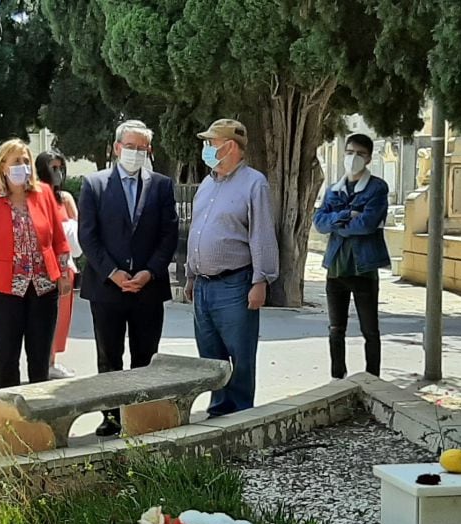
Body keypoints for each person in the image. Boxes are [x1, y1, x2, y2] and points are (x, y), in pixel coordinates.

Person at [77, 120, 178, 436]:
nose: (135, 152)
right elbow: (88, 236)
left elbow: (169, 234)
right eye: (130, 146)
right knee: (109, 357)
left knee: (145, 356)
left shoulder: (161, 185)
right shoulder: (94, 184)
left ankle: (142, 414)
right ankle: (111, 417)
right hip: (107, 287)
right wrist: (113, 272)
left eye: (141, 147)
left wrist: (150, 271)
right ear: (117, 147)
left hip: (148, 287)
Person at [184, 118, 278, 417]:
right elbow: (197, 230)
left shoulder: (254, 183)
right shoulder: (208, 183)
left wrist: (261, 280)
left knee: (240, 354)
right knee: (210, 356)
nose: (206, 149)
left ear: (230, 146)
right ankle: (218, 409)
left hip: (234, 283)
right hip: (203, 284)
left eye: (211, 143)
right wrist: (190, 276)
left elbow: (261, 234)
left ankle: (239, 415)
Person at [0, 139, 71, 389]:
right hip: (4, 290)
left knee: (39, 359)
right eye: (16, 161)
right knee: (7, 360)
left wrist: (64, 271)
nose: (22, 166)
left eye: (26, 161)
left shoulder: (43, 194)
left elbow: (58, 237)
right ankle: (8, 423)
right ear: (3, 166)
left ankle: (39, 422)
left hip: (43, 287)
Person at [313, 133, 390, 379]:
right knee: (336, 328)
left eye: (359, 153)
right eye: (349, 152)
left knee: (370, 329)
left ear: (368, 158)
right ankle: (337, 376)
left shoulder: (377, 187)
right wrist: (346, 216)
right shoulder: (335, 189)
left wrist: (337, 221)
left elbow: (367, 224)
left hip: (363, 268)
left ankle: (373, 378)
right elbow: (320, 223)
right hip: (335, 268)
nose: (353, 158)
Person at [34, 149, 80, 380]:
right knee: (40, 319)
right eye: (52, 168)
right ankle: (40, 362)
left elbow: (77, 229)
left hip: (64, 265)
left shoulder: (65, 199)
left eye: (60, 167)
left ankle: (52, 361)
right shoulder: (33, 197)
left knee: (61, 316)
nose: (58, 172)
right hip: (39, 266)